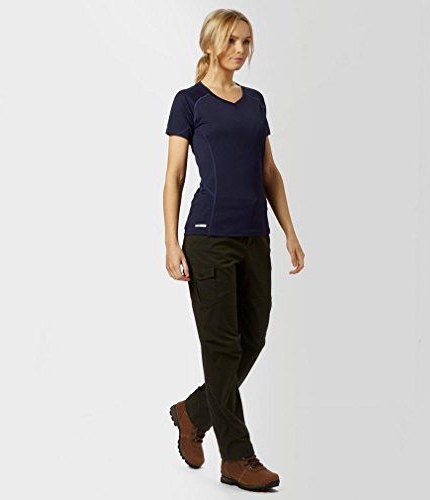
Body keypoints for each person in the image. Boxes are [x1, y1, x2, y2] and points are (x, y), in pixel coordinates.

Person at [163, 8, 305, 492]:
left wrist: (289, 231)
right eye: (231, 41)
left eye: (246, 41)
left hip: (254, 236)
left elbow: (269, 172)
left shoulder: (255, 101)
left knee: (252, 338)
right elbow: (174, 176)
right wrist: (170, 242)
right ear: (210, 44)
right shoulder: (189, 102)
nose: (240, 50)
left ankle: (193, 411)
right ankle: (237, 458)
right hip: (207, 238)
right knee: (222, 347)